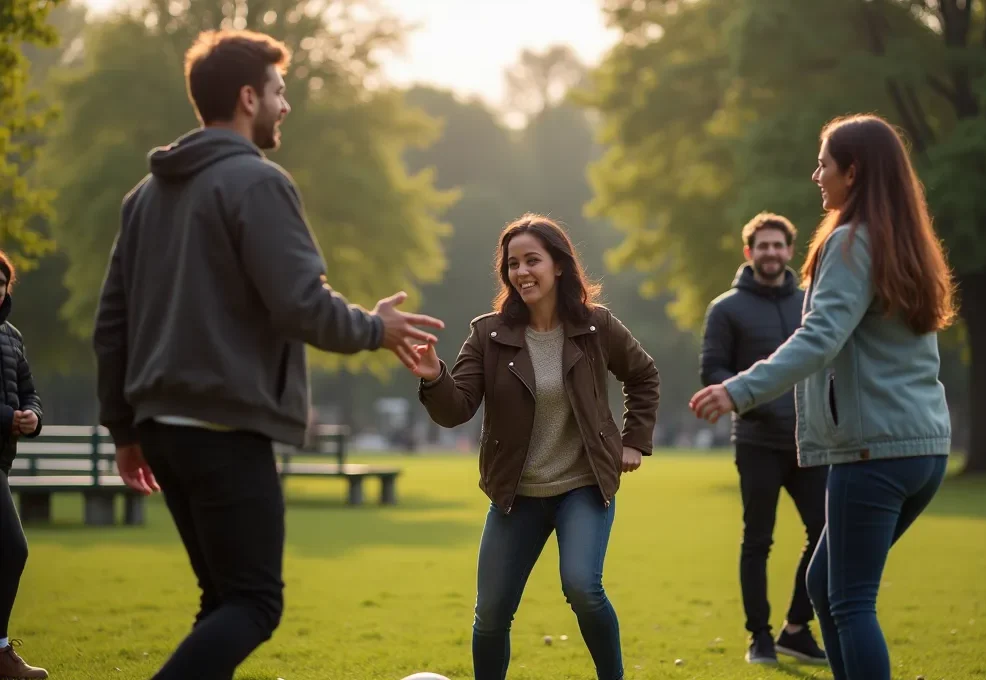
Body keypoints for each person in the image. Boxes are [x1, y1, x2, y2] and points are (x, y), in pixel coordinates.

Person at [93, 29, 444, 680]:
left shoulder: (142, 199)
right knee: (254, 604)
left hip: (161, 430)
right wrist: (377, 328)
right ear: (248, 97)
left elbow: (110, 325)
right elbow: (301, 305)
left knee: (221, 600)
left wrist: (124, 429)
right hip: (225, 428)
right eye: (280, 92)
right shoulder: (257, 183)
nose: (286, 107)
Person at [690, 113, 955, 680]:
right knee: (822, 584)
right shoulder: (905, 240)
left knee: (850, 600)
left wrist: (738, 389)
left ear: (852, 173)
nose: (816, 175)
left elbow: (818, 339)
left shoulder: (851, 241)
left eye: (824, 165)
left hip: (875, 450)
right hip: (922, 448)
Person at [412, 214, 660, 680]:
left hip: (583, 487)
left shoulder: (596, 326)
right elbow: (456, 408)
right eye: (512, 264)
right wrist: (433, 377)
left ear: (559, 266)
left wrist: (635, 441)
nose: (522, 272)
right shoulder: (488, 335)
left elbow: (644, 375)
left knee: (583, 587)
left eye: (532, 261)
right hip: (515, 496)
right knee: (491, 614)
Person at [699, 212, 827, 665]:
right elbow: (712, 369)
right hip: (756, 440)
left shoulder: (811, 303)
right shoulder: (726, 308)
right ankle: (760, 637)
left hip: (811, 440)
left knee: (826, 533)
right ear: (748, 252)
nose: (771, 253)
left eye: (779, 245)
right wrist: (746, 397)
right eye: (763, 246)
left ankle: (796, 627)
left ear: (790, 251)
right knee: (758, 540)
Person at [0, 251, 47, 679]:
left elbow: (28, 390)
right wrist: (6, 417)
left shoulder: (12, 336)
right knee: (12, 548)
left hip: (1, 458)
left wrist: (31, 418)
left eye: (0, 284)